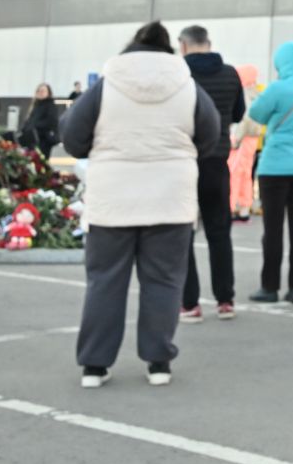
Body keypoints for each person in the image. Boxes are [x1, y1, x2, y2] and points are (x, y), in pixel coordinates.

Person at [62, 21, 221, 388]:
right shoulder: (187, 85)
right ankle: (158, 362)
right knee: (164, 280)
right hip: (170, 198)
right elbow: (210, 135)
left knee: (105, 281)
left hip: (112, 199)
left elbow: (72, 137)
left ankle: (95, 367)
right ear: (171, 50)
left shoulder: (107, 85)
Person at [177, 24, 245, 323]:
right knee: (220, 232)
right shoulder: (230, 74)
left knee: (183, 233)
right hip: (218, 160)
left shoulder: (179, 73)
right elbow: (239, 114)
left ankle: (189, 303)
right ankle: (225, 300)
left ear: (183, 45)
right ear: (209, 43)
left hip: (185, 161)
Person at [246, 42, 293, 304]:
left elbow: (256, 113)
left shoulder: (277, 89)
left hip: (275, 166)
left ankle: (270, 287)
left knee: (273, 228)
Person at [21, 83, 61, 158]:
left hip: (43, 140)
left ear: (48, 93)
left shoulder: (50, 105)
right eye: (38, 91)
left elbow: (51, 122)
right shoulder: (36, 105)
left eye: (43, 91)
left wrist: (34, 126)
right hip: (32, 139)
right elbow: (29, 120)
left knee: (40, 162)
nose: (40, 93)